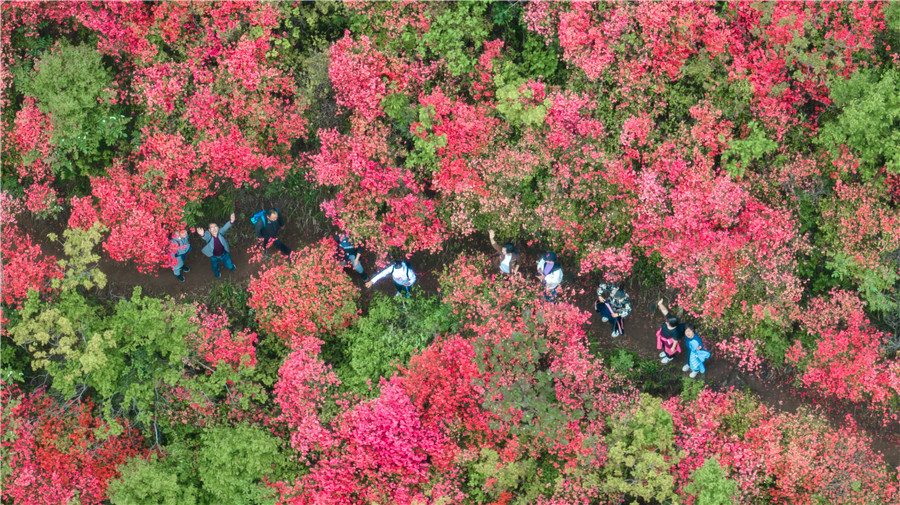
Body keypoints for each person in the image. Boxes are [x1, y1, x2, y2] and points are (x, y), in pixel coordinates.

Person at [196, 213, 237, 279]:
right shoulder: (209, 236)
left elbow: (225, 227)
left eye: (215, 227)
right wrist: (202, 234)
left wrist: (231, 221)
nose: (214, 229)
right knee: (214, 267)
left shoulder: (220, 232)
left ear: (218, 228)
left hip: (224, 254)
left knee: (229, 265)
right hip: (214, 257)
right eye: (212, 228)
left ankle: (232, 267)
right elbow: (205, 236)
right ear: (209, 230)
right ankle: (217, 273)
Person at [656, 298, 685, 364]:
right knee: (664, 346)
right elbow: (665, 311)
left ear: (671, 325)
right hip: (663, 339)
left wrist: (673, 347)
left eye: (667, 322)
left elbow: (675, 340)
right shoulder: (670, 320)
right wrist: (660, 305)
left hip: (669, 343)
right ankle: (665, 352)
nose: (666, 322)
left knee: (670, 351)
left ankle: (669, 357)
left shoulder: (675, 332)